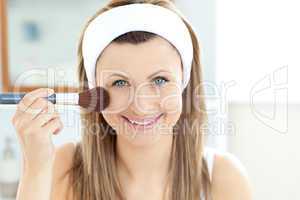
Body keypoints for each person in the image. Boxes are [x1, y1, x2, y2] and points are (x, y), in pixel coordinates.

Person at [12, 0, 252, 199]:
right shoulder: (63, 168)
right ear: (94, 91)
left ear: (184, 84)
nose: (141, 105)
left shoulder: (222, 178)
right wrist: (35, 168)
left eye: (159, 80)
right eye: (119, 83)